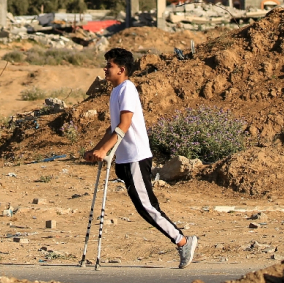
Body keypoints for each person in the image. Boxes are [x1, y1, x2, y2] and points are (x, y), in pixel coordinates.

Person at [84, 48, 198, 269]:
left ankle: (183, 241)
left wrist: (105, 151)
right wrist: (96, 149)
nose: (105, 69)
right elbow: (113, 127)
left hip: (136, 156)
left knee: (146, 206)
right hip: (125, 159)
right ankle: (182, 240)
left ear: (122, 69)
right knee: (144, 206)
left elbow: (124, 125)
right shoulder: (116, 91)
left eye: (109, 65)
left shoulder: (127, 89)